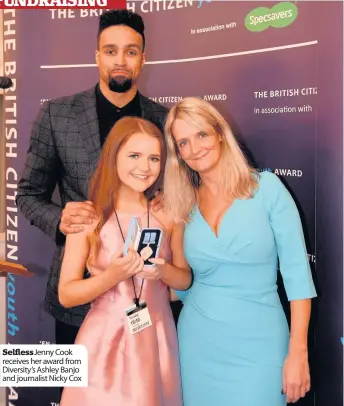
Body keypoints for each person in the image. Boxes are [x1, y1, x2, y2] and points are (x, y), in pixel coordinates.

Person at [15, 10, 174, 348]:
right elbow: (27, 195)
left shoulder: (164, 120)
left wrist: (172, 201)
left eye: (131, 52)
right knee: (78, 391)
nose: (120, 60)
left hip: (147, 297)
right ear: (97, 55)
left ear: (142, 59)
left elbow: (185, 190)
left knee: (141, 391)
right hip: (76, 295)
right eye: (111, 50)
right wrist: (63, 218)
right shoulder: (57, 114)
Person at [162, 97, 317, 406]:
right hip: (197, 346)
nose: (194, 149)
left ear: (220, 133)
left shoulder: (267, 189)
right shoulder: (182, 206)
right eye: (183, 142)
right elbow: (181, 286)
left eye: (201, 135)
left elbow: (298, 276)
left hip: (261, 344)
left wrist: (298, 351)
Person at [58, 116, 190, 406]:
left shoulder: (169, 215)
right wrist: (110, 276)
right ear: (113, 156)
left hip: (157, 338)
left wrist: (162, 270)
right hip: (103, 341)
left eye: (154, 158)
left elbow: (184, 283)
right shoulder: (88, 217)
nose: (145, 167)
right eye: (134, 155)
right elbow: (66, 294)